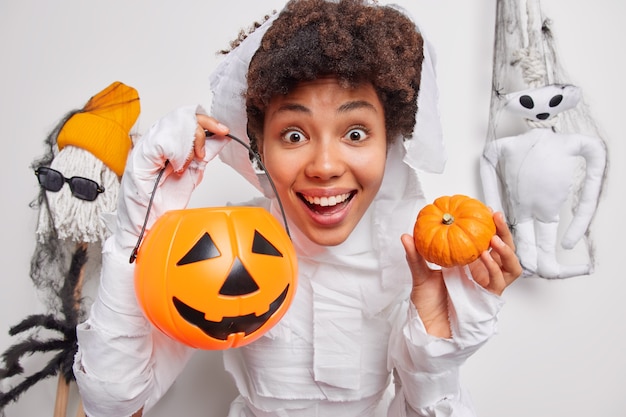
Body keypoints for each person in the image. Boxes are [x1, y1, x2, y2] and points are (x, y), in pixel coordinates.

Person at [73, 1, 522, 416]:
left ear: (391, 141)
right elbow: (115, 406)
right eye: (293, 135)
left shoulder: (416, 258)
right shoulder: (223, 246)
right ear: (259, 147)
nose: (325, 167)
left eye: (357, 133)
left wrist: (438, 350)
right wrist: (138, 223)